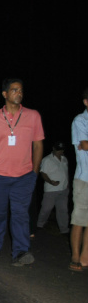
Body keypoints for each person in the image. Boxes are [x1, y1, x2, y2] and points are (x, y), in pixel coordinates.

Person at [0, 78, 45, 266]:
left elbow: (38, 144)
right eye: (14, 90)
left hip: (24, 176)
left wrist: (34, 172)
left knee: (20, 214)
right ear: (5, 94)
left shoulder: (33, 116)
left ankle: (21, 252)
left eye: (21, 90)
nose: (19, 93)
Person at [69, 88, 88, 272]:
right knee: (79, 219)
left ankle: (85, 257)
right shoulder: (80, 120)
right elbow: (84, 144)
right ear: (86, 102)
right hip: (84, 179)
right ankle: (75, 256)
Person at [36, 141, 69, 234]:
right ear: (53, 149)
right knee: (46, 208)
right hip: (51, 189)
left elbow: (65, 173)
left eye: (62, 150)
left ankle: (64, 230)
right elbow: (43, 173)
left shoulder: (64, 159)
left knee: (63, 210)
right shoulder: (47, 159)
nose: (60, 152)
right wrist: (51, 181)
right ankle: (39, 224)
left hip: (63, 189)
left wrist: (68, 184)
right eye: (58, 150)